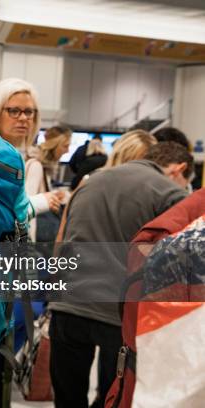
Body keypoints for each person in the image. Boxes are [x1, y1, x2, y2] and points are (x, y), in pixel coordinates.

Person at [49, 141, 193, 408]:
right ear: (179, 169)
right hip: (119, 314)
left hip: (68, 305)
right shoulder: (170, 193)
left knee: (67, 397)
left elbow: (64, 241)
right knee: (116, 396)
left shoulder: (91, 181)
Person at [0, 78, 63, 224]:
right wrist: (42, 201)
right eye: (14, 111)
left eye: (29, 111)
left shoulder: (23, 158)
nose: (23, 118)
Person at [24, 126, 72, 241]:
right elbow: (27, 203)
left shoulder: (44, 167)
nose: (68, 150)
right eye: (65, 146)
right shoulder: (36, 166)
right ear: (53, 145)